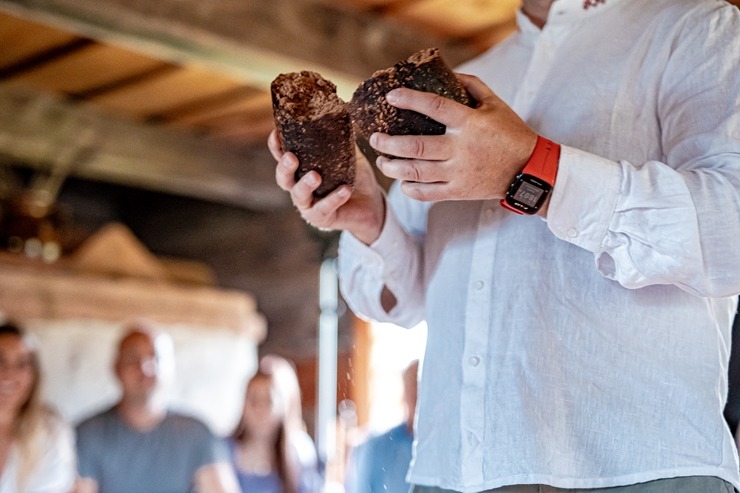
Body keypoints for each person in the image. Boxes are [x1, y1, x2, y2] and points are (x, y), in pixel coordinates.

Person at [269, 0, 740, 491]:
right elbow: (406, 303)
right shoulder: (461, 81)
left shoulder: (699, 30)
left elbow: (731, 231)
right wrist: (370, 220)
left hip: (636, 468)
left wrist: (535, 168)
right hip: (450, 472)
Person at [75, 319, 239, 493]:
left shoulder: (196, 434)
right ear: (116, 368)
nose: (145, 368)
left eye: (155, 358)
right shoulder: (88, 435)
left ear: (170, 368)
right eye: (133, 359)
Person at [0, 321, 76, 493]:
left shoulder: (51, 430)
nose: (9, 372)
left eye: (22, 364)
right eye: (0, 360)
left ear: (34, 375)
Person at [229, 356, 322, 493]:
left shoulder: (300, 453)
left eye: (268, 401)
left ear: (285, 406)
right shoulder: (223, 451)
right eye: (253, 400)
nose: (259, 410)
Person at [345, 359, 419, 493]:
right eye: (414, 386)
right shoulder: (378, 448)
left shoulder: (446, 449)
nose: (419, 394)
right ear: (405, 393)